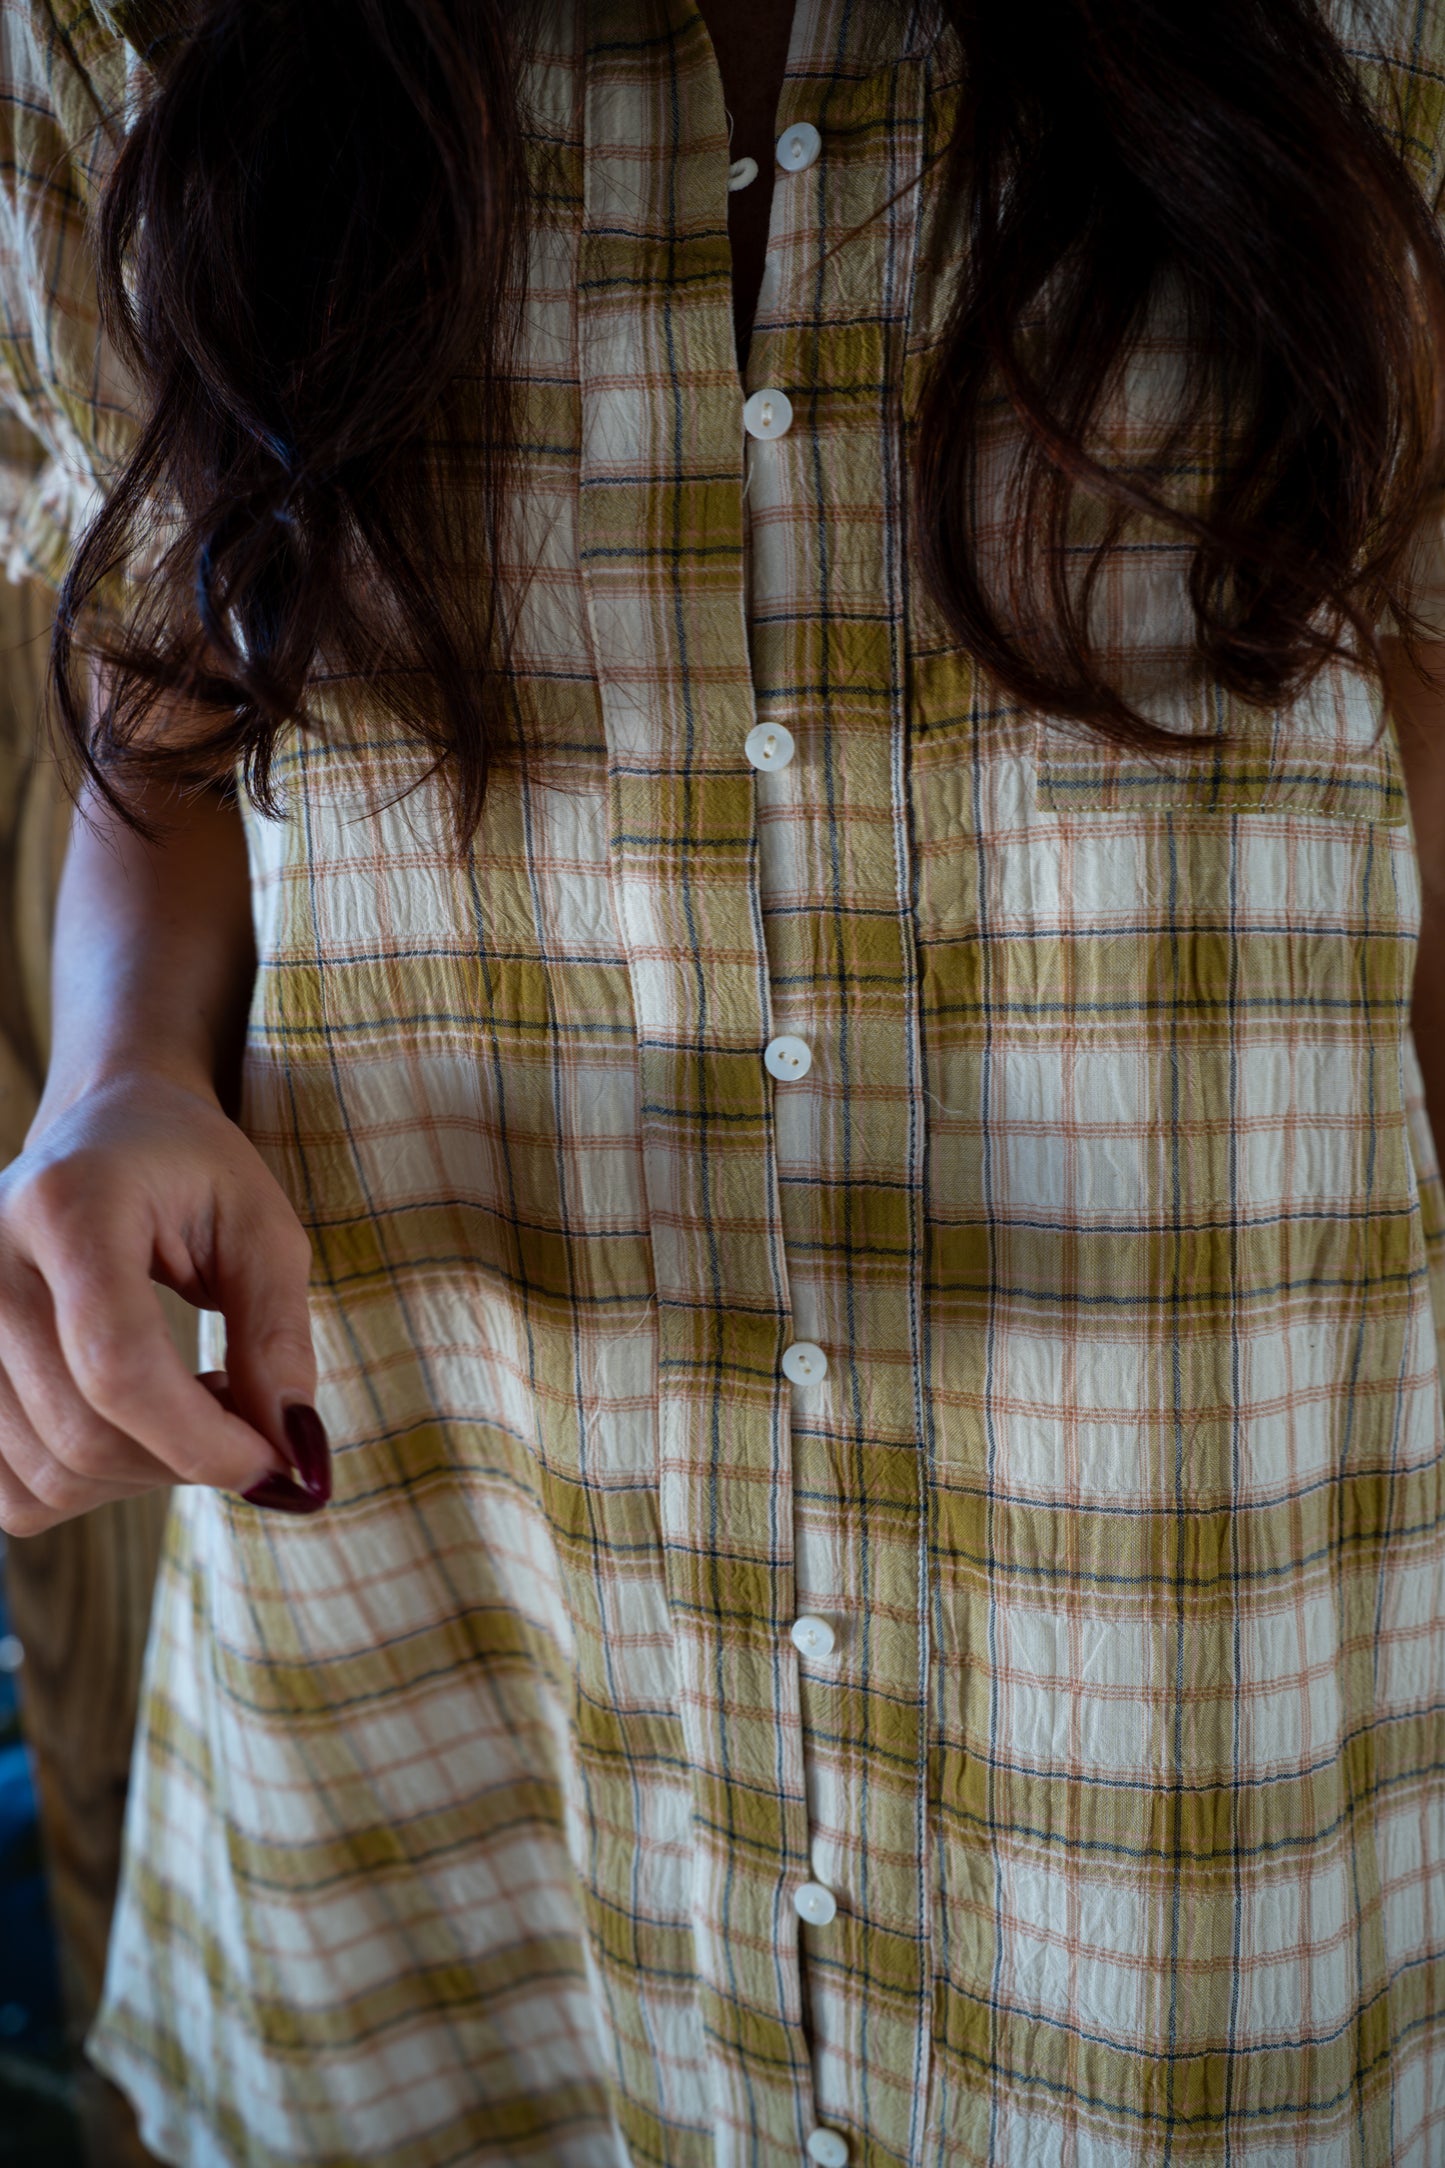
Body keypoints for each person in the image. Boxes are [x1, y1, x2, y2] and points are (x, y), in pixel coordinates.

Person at [3, 0, 1445, 2158]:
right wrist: (116, 1071)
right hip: (463, 1681)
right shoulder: (126, 33)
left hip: (1186, 1736)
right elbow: (170, 703)